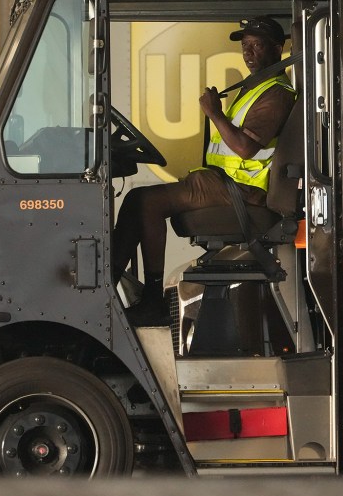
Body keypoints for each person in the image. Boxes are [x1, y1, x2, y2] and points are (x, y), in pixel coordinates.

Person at [113, 16, 297, 325]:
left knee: (145, 202)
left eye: (257, 45)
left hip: (242, 192)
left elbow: (245, 148)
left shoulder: (276, 93)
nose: (248, 52)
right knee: (136, 200)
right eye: (245, 46)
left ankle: (151, 300)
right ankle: (115, 282)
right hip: (224, 182)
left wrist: (214, 113)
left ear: (278, 49)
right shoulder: (258, 87)